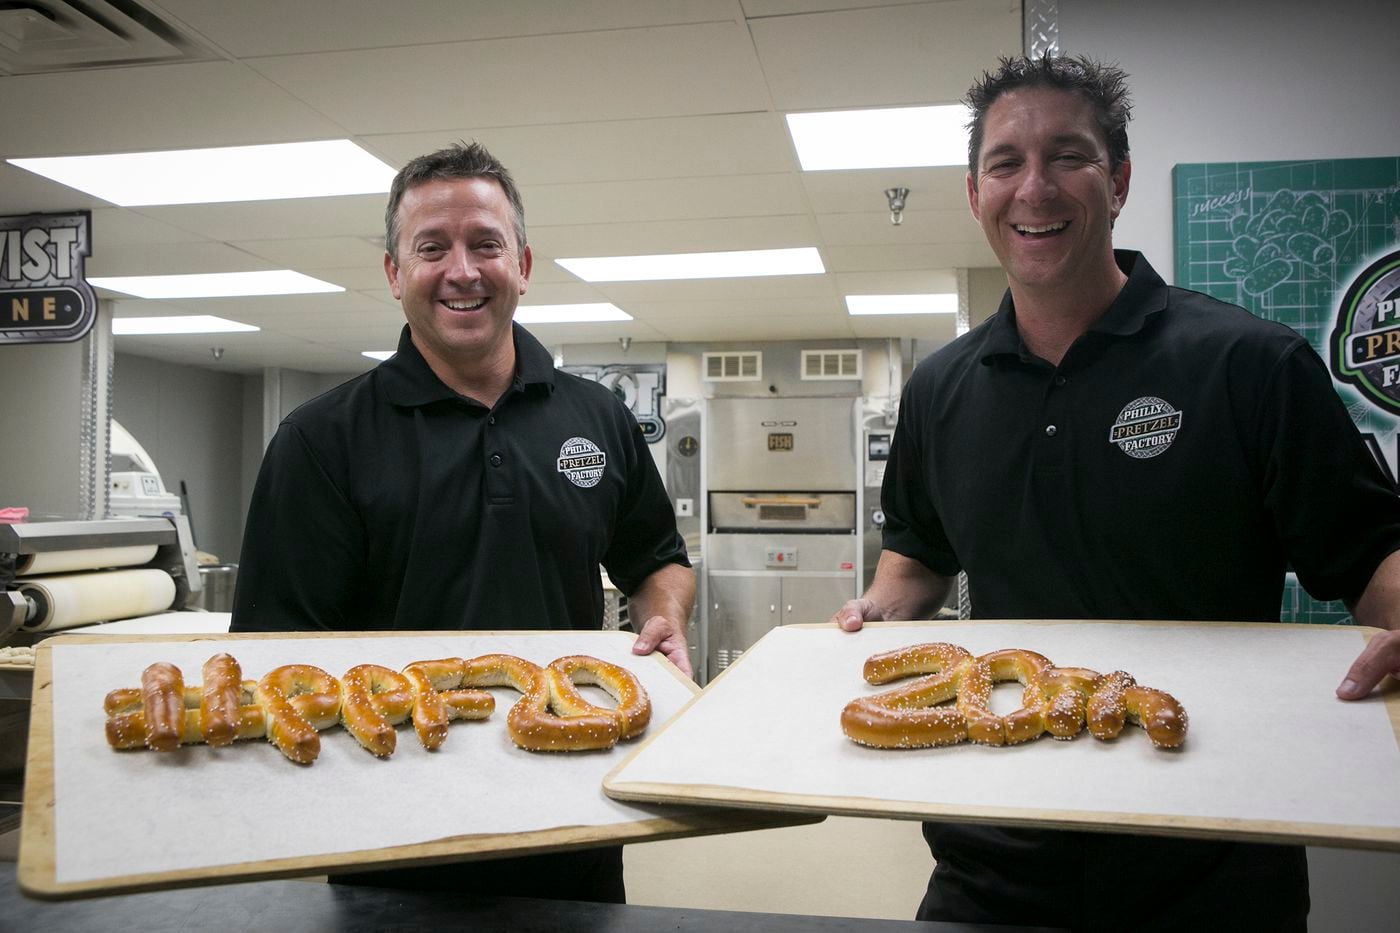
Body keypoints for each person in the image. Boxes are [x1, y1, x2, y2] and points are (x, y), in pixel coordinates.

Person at [830, 54, 1400, 931]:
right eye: (1006, 163)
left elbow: (1369, 553)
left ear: (1120, 180)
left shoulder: (1249, 364)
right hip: (994, 852)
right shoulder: (940, 390)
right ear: (975, 194)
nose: (1034, 188)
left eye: (1069, 156)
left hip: (1214, 852)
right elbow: (917, 556)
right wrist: (876, 610)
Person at [231, 141, 694, 902]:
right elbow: (276, 654)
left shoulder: (597, 418)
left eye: (485, 244)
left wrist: (664, 618)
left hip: (573, 810)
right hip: (391, 831)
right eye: (431, 248)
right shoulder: (321, 440)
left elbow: (656, 559)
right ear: (394, 273)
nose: (463, 270)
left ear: (523, 264)